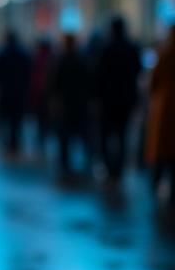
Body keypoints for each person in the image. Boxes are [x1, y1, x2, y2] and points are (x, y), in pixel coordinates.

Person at [95, 15, 142, 181]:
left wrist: (97, 98)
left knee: (107, 136)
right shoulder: (132, 48)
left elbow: (99, 76)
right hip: (125, 100)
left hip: (109, 100)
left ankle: (110, 168)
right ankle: (118, 169)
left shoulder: (106, 49)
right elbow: (137, 72)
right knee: (122, 135)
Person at [49, 32, 91, 175]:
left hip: (66, 104)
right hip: (78, 103)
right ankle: (85, 163)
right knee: (81, 135)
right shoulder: (81, 60)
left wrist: (55, 102)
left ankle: (65, 164)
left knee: (65, 136)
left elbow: (55, 84)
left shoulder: (61, 61)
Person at [145, 25, 175, 206]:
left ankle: (157, 185)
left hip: (164, 110)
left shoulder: (164, 55)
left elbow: (153, 82)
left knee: (161, 151)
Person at [0, 29, 31, 154]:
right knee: (17, 119)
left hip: (6, 92)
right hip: (19, 91)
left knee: (7, 118)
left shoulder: (3, 54)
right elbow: (28, 73)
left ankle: (8, 141)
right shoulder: (22, 54)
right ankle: (16, 142)